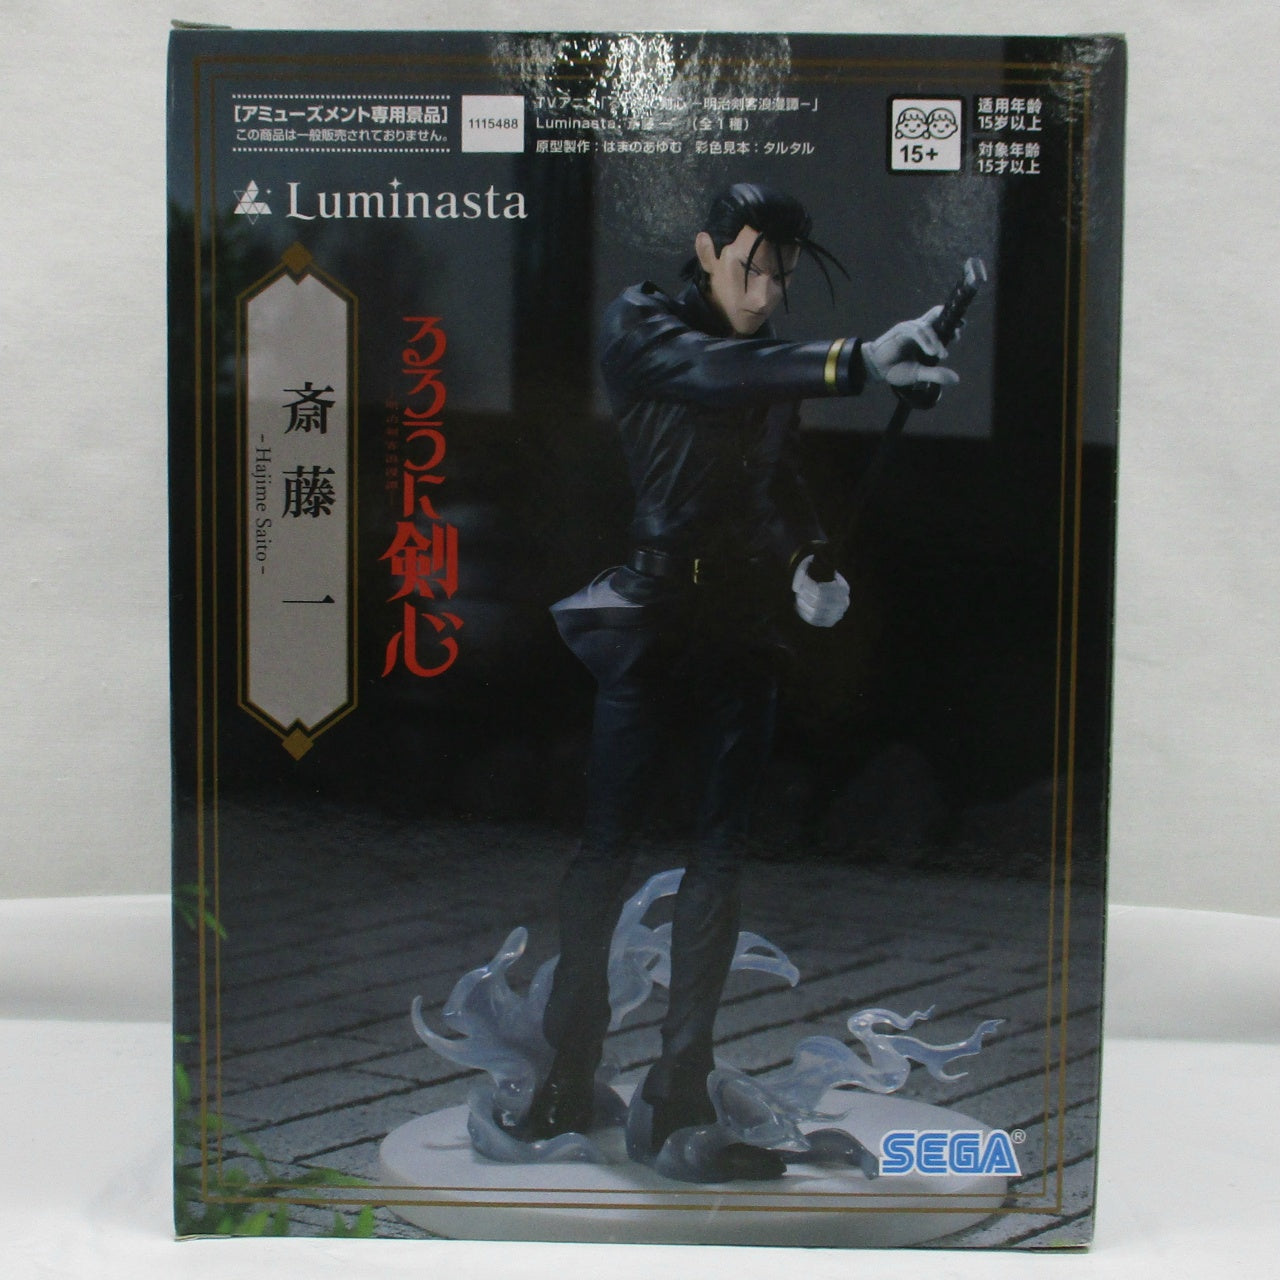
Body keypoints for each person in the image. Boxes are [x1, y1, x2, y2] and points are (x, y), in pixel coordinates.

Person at [528, 183, 958, 1179]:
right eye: (748, 268)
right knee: (606, 851)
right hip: (650, 616)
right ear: (705, 250)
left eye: (781, 277)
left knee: (719, 858)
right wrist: (860, 359)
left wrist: (807, 557)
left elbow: (776, 478)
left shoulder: (768, 360)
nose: (763, 294)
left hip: (738, 621)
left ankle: (679, 1093)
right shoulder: (641, 325)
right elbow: (710, 371)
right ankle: (566, 1072)